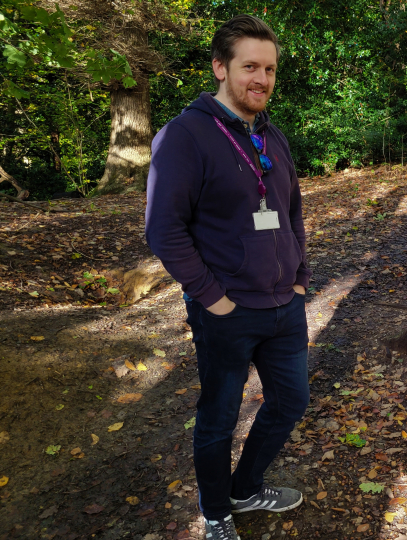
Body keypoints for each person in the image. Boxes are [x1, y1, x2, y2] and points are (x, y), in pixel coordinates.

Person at [145, 14, 310, 540]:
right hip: (228, 312)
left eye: (270, 69)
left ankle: (245, 487)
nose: (261, 79)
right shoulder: (184, 136)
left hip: (284, 306)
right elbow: (163, 230)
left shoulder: (272, 135)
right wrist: (213, 299)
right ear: (220, 68)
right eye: (249, 67)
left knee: (291, 403)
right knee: (218, 416)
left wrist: (301, 278)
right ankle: (216, 510)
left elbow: (291, 213)